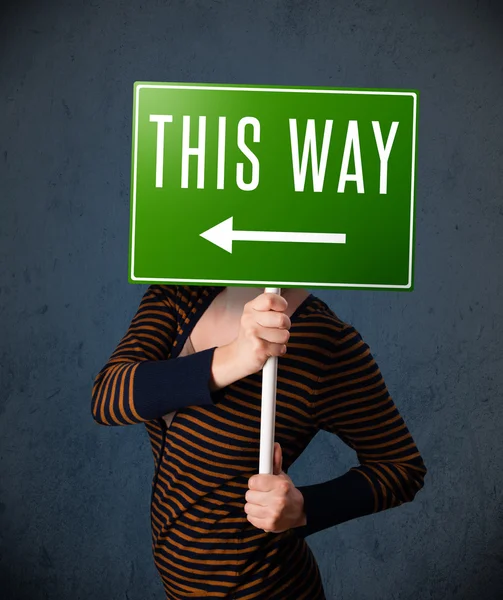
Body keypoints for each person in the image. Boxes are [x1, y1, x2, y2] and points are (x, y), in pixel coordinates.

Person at [91, 285, 427, 600]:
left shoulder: (324, 341)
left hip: (267, 588)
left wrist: (303, 509)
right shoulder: (180, 292)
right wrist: (232, 358)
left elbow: (402, 468)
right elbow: (108, 397)